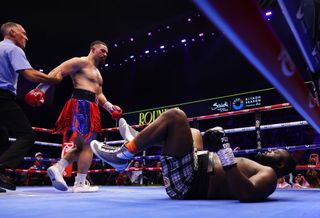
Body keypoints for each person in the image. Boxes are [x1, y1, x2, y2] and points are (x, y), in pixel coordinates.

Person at [90, 108, 296, 201]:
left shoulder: (268, 175)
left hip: (190, 183)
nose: (269, 150)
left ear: (280, 165)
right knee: (194, 132)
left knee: (176, 116)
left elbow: (246, 192)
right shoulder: (260, 166)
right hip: (195, 170)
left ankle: (124, 155)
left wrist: (224, 153)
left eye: (275, 152)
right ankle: (140, 139)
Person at [27, 40, 123, 192]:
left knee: (80, 146)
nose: (105, 54)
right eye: (102, 50)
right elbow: (57, 71)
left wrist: (110, 108)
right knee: (89, 145)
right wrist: (40, 90)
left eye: (106, 52)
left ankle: (59, 167)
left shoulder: (97, 73)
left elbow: (99, 94)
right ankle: (79, 184)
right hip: (82, 102)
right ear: (92, 49)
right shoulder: (81, 62)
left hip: (91, 105)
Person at [0, 22, 61, 192]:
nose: (26, 37)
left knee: (2, 138)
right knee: (27, 135)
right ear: (12, 32)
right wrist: (52, 80)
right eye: (23, 33)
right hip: (3, 97)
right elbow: (29, 73)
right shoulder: (13, 49)